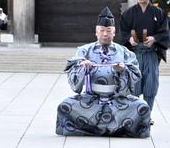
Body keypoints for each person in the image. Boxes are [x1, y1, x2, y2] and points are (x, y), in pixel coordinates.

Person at [56, 7, 150, 138]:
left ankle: (99, 129)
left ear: (114, 33)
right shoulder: (84, 50)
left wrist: (123, 70)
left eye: (108, 31)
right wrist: (83, 67)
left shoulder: (124, 51)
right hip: (91, 98)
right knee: (64, 106)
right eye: (102, 31)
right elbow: (73, 68)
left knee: (142, 106)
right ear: (96, 32)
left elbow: (135, 72)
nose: (105, 34)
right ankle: (115, 129)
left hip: (118, 98)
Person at [118, 0, 168, 116]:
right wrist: (129, 39)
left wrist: (154, 39)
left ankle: (147, 114)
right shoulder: (128, 13)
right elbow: (123, 31)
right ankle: (134, 114)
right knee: (134, 83)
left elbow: (164, 32)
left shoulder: (159, 13)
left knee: (150, 84)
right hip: (134, 54)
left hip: (151, 53)